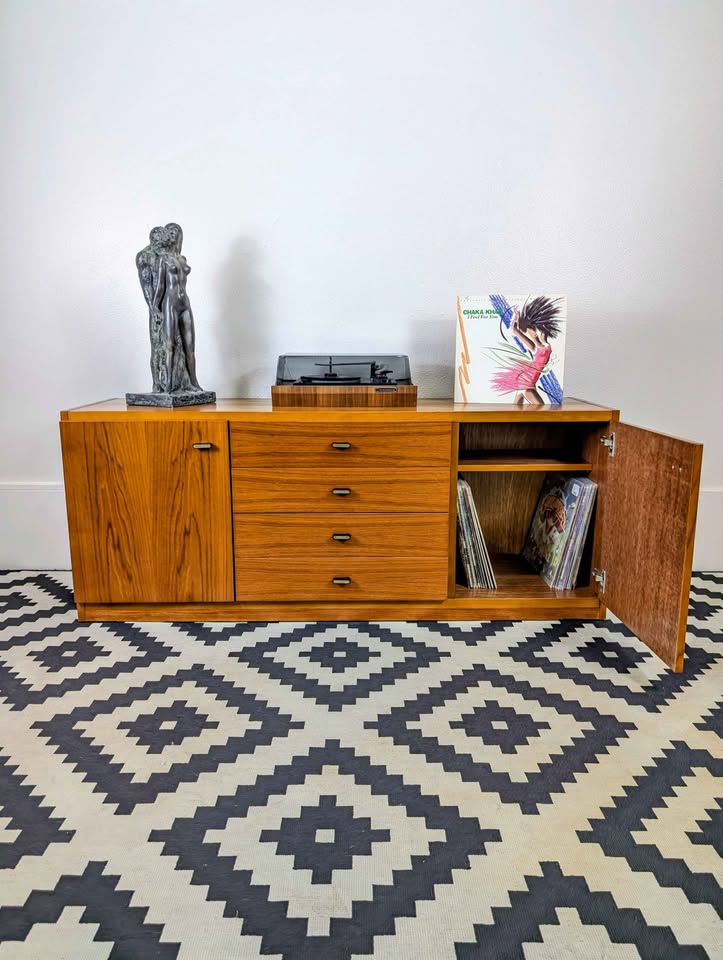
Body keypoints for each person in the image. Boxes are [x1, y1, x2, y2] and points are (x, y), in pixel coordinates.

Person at [152, 223, 202, 392]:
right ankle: (169, 385)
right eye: (170, 233)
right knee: (170, 346)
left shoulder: (182, 259)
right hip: (170, 304)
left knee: (190, 346)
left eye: (176, 233)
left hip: (184, 304)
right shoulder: (162, 260)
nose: (173, 236)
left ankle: (194, 382)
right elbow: (160, 286)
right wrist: (154, 308)